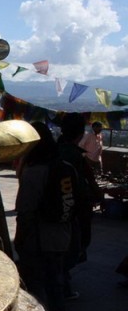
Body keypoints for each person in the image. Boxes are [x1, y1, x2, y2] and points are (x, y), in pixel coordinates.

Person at [14, 122, 77, 311]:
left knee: (35, 285)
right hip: (62, 235)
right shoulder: (65, 166)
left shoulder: (35, 170)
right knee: (55, 282)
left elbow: (26, 209)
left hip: (40, 237)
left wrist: (20, 239)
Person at [58, 113, 103, 298]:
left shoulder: (53, 151)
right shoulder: (76, 157)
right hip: (72, 209)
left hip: (55, 210)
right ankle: (62, 285)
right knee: (73, 247)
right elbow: (88, 183)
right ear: (81, 133)